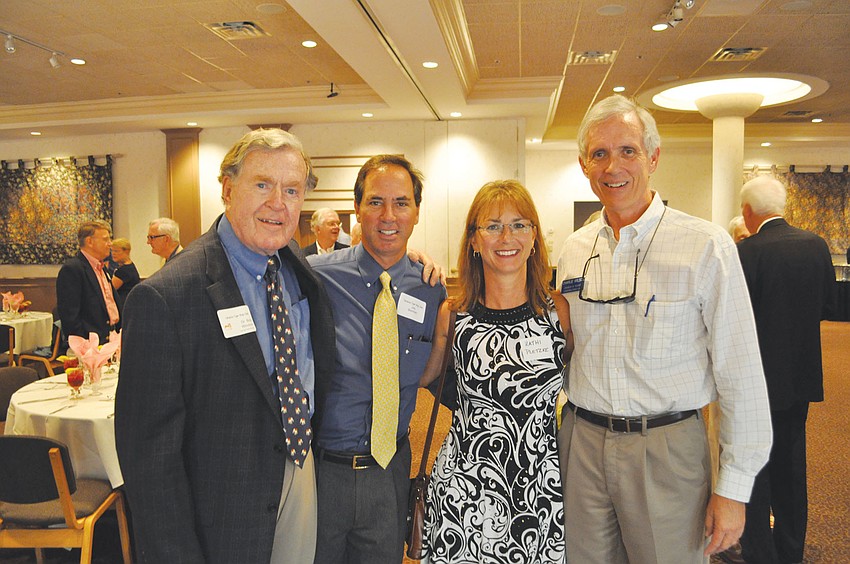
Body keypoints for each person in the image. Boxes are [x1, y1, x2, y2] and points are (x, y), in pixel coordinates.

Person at [556, 94, 772, 563]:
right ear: (584, 165)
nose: (613, 166)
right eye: (599, 153)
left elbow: (741, 374)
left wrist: (734, 489)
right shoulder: (574, 250)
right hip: (582, 444)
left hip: (666, 447)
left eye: (627, 151)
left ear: (653, 158)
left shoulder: (705, 246)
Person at [115, 128, 336, 563]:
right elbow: (149, 459)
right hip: (221, 507)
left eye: (292, 190)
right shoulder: (167, 296)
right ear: (228, 189)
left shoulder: (297, 270)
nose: (278, 203)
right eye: (263, 185)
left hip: (299, 468)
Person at [420, 180, 572, 563]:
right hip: (464, 494)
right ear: (474, 240)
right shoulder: (453, 316)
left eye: (519, 224)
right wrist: (406, 264)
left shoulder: (558, 313)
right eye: (493, 226)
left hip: (541, 491)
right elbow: (420, 379)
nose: (507, 237)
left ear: (534, 237)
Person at [308, 155, 446, 564]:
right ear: (357, 208)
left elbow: (430, 373)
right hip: (321, 473)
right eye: (375, 202)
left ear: (417, 212)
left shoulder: (430, 288)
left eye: (401, 203)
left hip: (390, 472)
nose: (389, 215)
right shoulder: (314, 276)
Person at [733, 176, 836, 564]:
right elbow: (828, 306)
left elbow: (736, 317)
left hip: (756, 378)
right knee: (792, 466)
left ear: (748, 211)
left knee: (755, 466)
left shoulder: (747, 252)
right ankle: (791, 550)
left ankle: (760, 551)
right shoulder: (816, 244)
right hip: (800, 375)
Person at [56, 220, 121, 341]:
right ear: (89, 241)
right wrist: (86, 343)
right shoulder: (73, 269)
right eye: (105, 239)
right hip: (90, 343)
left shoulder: (102, 268)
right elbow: (70, 316)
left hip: (111, 338)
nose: (110, 243)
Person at [109, 237, 140, 310]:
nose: (113, 254)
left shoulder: (124, 271)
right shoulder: (129, 266)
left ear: (126, 251)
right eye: (112, 251)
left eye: (116, 251)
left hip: (123, 306)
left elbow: (110, 289)